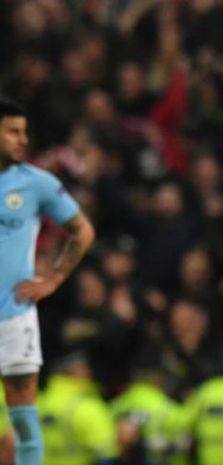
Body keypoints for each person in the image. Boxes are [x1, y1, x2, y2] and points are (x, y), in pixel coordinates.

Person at [0, 98, 95, 465]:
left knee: (24, 418)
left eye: (25, 132)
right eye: (12, 131)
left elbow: (82, 231)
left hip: (14, 316)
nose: (22, 139)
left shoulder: (36, 184)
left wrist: (52, 279)